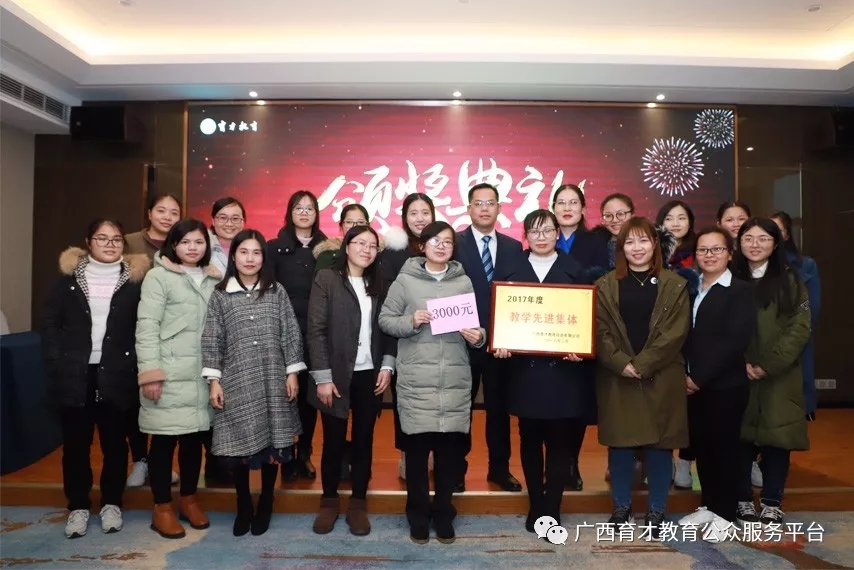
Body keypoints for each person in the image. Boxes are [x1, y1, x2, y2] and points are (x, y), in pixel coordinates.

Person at [41, 219, 150, 538]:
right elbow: (49, 324)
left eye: (116, 239)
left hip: (117, 373)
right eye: (102, 238)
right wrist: (57, 361)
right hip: (76, 374)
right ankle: (77, 506)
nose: (110, 244)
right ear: (88, 242)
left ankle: (112, 503)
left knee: (115, 444)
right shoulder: (68, 281)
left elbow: (144, 325)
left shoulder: (135, 282)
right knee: (76, 445)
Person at [379, 221, 486, 544]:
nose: (441, 246)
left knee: (448, 456)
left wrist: (478, 337)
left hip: (453, 379)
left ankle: (443, 512)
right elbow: (386, 320)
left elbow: (476, 328)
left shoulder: (463, 281)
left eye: (448, 242)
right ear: (421, 245)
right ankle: (418, 515)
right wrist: (411, 321)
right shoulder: (405, 280)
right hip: (417, 381)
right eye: (435, 241)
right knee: (416, 456)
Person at [493, 209, 594, 531]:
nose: (541, 237)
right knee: (529, 440)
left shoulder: (576, 271)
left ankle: (552, 506)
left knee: (560, 443)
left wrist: (582, 348)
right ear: (525, 236)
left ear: (556, 233)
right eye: (534, 232)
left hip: (563, 374)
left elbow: (586, 319)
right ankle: (535, 502)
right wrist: (499, 343)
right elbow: (499, 317)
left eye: (547, 231)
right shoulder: (509, 269)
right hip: (524, 372)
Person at [202, 229, 305, 537]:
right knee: (241, 446)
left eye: (256, 252)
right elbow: (212, 338)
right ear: (233, 256)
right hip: (237, 380)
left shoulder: (276, 291)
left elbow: (290, 332)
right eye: (244, 252)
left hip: (274, 379)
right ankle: (244, 504)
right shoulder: (221, 294)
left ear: (264, 257)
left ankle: (267, 502)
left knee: (274, 441)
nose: (250, 258)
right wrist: (214, 381)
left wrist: (292, 372)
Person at [595, 217, 690, 538]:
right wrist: (621, 363)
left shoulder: (674, 284)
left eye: (644, 241)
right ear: (621, 248)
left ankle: (656, 510)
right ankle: (621, 507)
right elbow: (599, 331)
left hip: (661, 376)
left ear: (655, 245)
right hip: (618, 376)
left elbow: (675, 333)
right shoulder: (605, 284)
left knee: (659, 446)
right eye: (630, 242)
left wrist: (643, 364)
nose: (637, 248)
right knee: (620, 444)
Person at [307, 225, 396, 536]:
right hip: (334, 375)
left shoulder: (381, 282)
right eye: (360, 243)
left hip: (370, 374)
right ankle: (329, 501)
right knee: (332, 441)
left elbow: (388, 329)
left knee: (364, 440)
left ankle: (358, 502)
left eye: (372, 246)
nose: (366, 250)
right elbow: (316, 330)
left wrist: (387, 365)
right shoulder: (327, 279)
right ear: (346, 247)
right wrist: (322, 377)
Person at [136, 219, 221, 539]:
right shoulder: (158, 277)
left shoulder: (214, 279)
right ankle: (162, 507)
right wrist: (151, 374)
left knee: (193, 441)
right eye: (185, 242)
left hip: (202, 376)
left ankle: (188, 499)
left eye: (199, 242)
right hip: (168, 375)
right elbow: (147, 327)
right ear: (174, 244)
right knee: (163, 441)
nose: (192, 248)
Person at [731, 218, 810, 527]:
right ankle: (742, 500)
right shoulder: (729, 277)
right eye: (748, 238)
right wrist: (738, 363)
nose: (755, 244)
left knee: (777, 439)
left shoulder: (790, 280)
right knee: (739, 439)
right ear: (739, 243)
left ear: (776, 243)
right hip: (736, 373)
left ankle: (772, 502)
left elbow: (799, 328)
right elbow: (717, 326)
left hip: (779, 374)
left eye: (763, 238)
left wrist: (768, 365)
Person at [678, 228, 756, 535]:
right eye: (703, 250)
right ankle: (709, 505)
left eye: (716, 249)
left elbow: (733, 341)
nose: (709, 255)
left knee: (725, 450)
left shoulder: (740, 291)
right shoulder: (691, 288)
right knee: (704, 447)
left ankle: (725, 513)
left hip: (725, 385)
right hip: (693, 385)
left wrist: (698, 378)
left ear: (730, 254)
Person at [453, 183, 523, 493]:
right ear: (468, 208)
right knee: (460, 409)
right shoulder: (454, 243)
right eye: (478, 203)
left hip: (500, 344)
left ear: (499, 208)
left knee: (499, 410)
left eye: (490, 203)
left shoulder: (513, 247)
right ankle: (456, 471)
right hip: (461, 341)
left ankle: (500, 469)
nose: (484, 208)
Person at [551, 184, 608, 491]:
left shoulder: (597, 242)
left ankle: (571, 462)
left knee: (577, 402)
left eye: (573, 202)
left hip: (582, 330)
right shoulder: (544, 238)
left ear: (584, 209)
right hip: (548, 331)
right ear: (553, 208)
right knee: (551, 401)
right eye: (561, 202)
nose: (567, 208)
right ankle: (555, 463)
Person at [268, 190, 328, 483]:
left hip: (316, 336)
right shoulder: (273, 248)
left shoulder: (327, 250)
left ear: (317, 214)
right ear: (290, 213)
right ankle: (285, 455)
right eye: (298, 208)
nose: (304, 213)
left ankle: (304, 453)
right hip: (282, 335)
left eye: (310, 208)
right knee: (284, 397)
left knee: (308, 400)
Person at [124, 193, 182, 488]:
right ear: (149, 213)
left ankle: (161, 463)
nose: (167, 217)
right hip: (135, 326)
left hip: (172, 332)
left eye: (174, 212)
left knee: (166, 401)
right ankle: (140, 460)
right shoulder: (130, 242)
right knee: (136, 398)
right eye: (161, 210)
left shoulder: (183, 243)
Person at [378, 193, 435, 480]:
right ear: (404, 217)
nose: (420, 218)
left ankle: (435, 454)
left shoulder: (443, 246)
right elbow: (389, 304)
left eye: (425, 212)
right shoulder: (392, 253)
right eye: (413, 213)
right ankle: (407, 455)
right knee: (407, 403)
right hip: (406, 340)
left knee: (436, 401)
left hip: (440, 341)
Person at [656, 199, 698, 489]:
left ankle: (685, 460)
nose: (675, 223)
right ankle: (664, 459)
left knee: (690, 404)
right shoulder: (652, 252)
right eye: (669, 218)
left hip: (692, 336)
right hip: (658, 339)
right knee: (662, 404)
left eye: (681, 217)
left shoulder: (699, 253)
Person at [771, 211, 821, 421]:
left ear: (786, 234)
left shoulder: (806, 265)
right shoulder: (751, 266)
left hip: (795, 339)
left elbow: (812, 308)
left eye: (777, 231)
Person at [592, 193, 635, 269]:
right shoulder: (594, 245)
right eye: (608, 216)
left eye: (620, 214)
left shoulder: (647, 242)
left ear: (632, 215)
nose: (615, 220)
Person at [208, 197, 246, 275]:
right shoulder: (203, 248)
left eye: (235, 218)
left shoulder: (254, 249)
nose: (229, 224)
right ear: (213, 221)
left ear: (243, 222)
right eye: (223, 218)